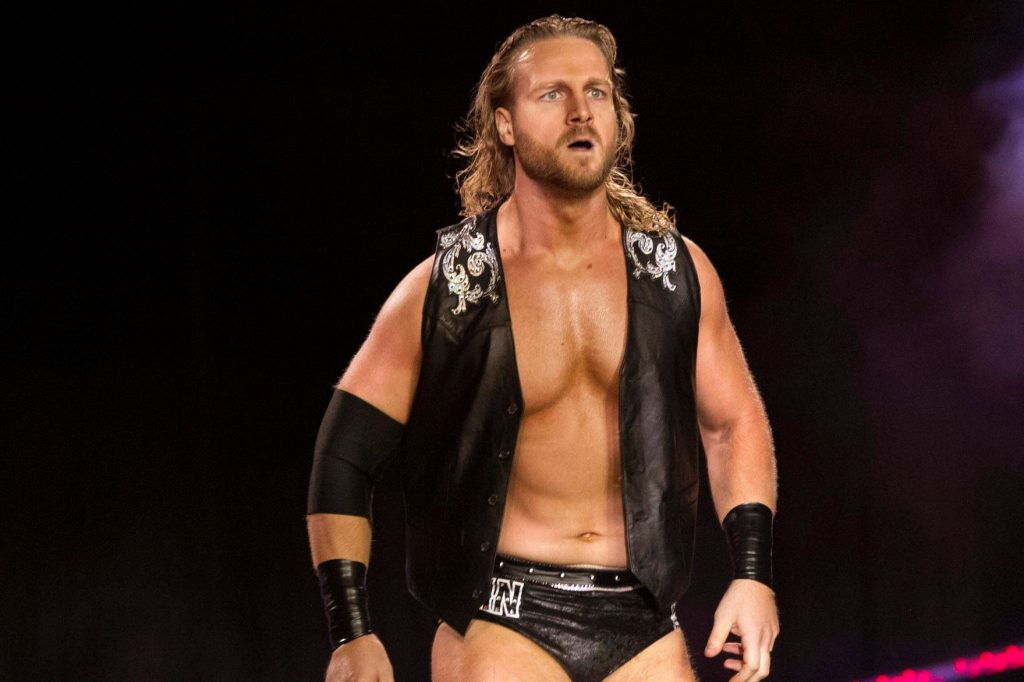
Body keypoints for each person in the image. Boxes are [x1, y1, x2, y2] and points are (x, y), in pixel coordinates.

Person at [306, 14, 779, 682]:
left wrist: (753, 576)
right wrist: (350, 630)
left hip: (643, 617)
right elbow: (344, 456)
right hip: (501, 618)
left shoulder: (675, 275)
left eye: (597, 92)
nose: (581, 111)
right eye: (553, 93)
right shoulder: (449, 288)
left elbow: (733, 422)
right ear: (505, 124)